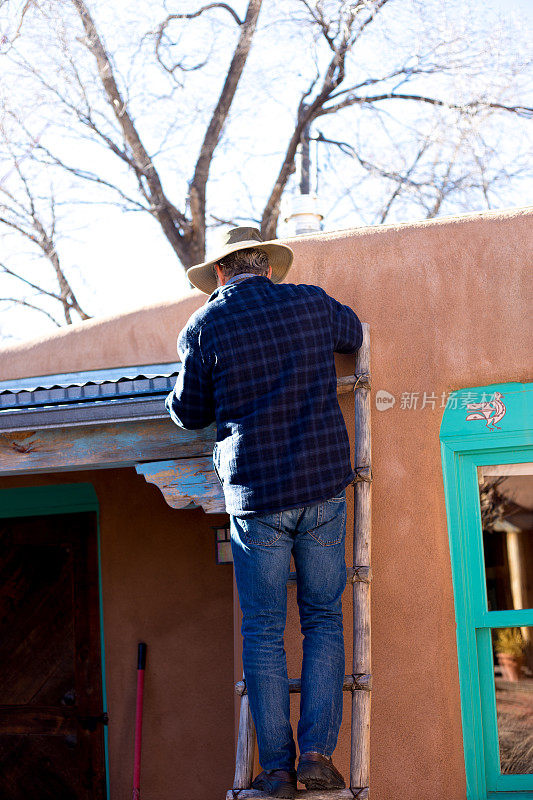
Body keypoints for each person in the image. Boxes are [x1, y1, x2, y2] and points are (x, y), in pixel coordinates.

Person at [165, 227, 363, 799]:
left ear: (221, 274)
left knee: (264, 630)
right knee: (324, 617)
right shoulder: (310, 301)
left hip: (257, 497)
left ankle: (276, 769)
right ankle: (318, 755)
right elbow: (352, 334)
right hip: (323, 485)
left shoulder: (204, 326)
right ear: (269, 268)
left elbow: (190, 412)